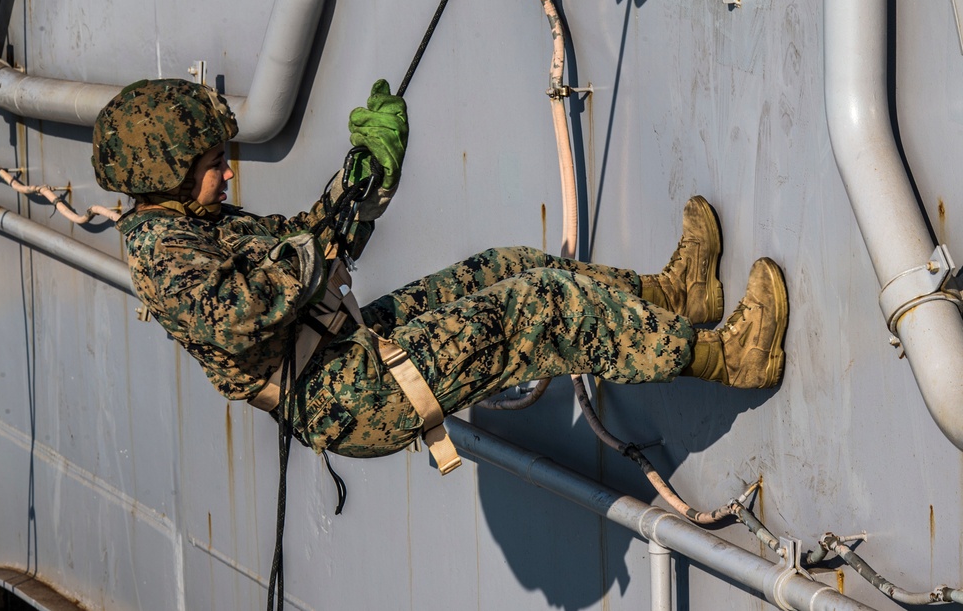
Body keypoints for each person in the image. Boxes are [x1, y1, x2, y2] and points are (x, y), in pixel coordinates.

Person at [92, 78, 788, 474]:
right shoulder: (161, 253)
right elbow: (250, 306)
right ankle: (728, 358)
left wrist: (364, 178)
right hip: (346, 394)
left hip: (347, 346)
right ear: (166, 173)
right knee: (536, 308)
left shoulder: (197, 224)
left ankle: (675, 297)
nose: (226, 171)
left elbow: (311, 249)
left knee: (512, 268)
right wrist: (333, 209)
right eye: (211, 162)